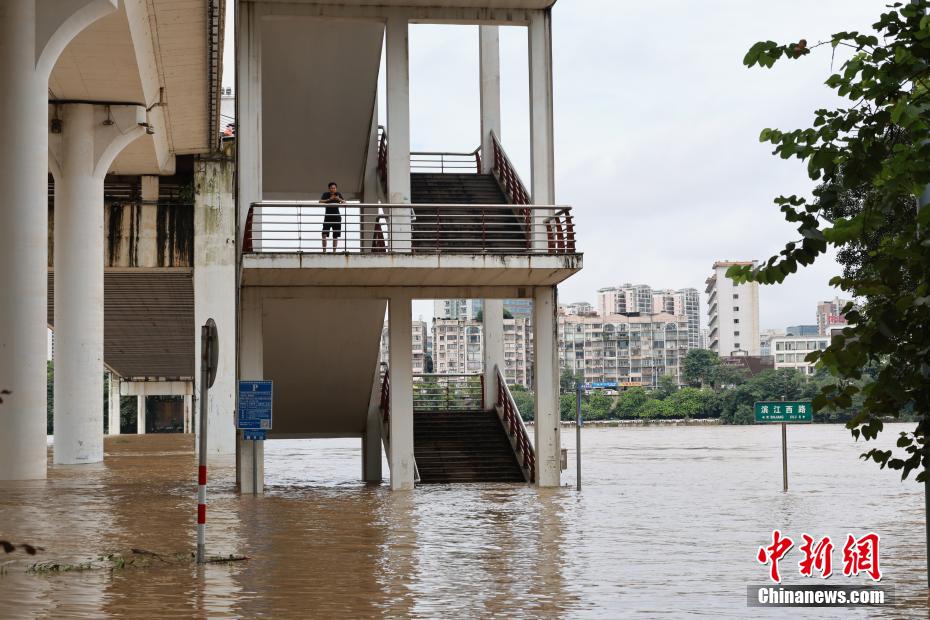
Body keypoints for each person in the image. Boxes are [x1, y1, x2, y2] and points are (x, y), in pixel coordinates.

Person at [319, 181, 346, 252]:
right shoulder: (326, 194)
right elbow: (320, 201)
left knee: (335, 235)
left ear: (336, 189)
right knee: (324, 234)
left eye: (334, 188)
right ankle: (324, 251)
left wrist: (338, 199)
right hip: (328, 216)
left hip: (337, 217)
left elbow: (344, 202)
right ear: (329, 189)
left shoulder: (338, 194)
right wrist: (329, 199)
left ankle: (334, 252)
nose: (333, 189)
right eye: (331, 188)